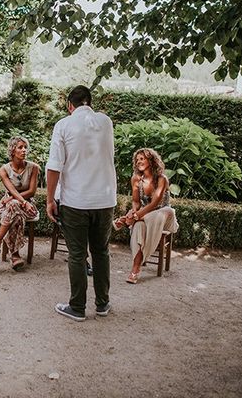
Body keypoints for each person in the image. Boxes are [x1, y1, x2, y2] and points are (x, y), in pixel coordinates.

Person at [46, 85, 117, 321]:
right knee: (101, 252)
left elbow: (54, 166)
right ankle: (103, 304)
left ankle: (77, 307)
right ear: (90, 103)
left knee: (77, 254)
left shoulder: (64, 125)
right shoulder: (106, 122)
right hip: (105, 200)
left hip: (75, 200)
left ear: (69, 105)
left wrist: (49, 200)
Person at [114, 148, 179, 284]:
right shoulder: (136, 179)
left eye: (142, 159)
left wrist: (134, 216)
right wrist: (134, 212)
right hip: (144, 216)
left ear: (151, 160)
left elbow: (155, 203)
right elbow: (136, 202)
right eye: (137, 160)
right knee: (138, 226)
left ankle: (126, 221)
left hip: (164, 216)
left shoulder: (162, 179)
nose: (139, 162)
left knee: (158, 215)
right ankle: (135, 268)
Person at [0, 136, 40, 270]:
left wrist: (18, 200)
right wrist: (19, 200)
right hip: (9, 206)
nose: (24, 150)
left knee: (13, 203)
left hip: (28, 206)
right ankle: (15, 255)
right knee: (15, 212)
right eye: (20, 147)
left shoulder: (33, 168)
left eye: (25, 147)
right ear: (12, 150)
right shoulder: (3, 170)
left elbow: (31, 192)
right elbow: (11, 189)